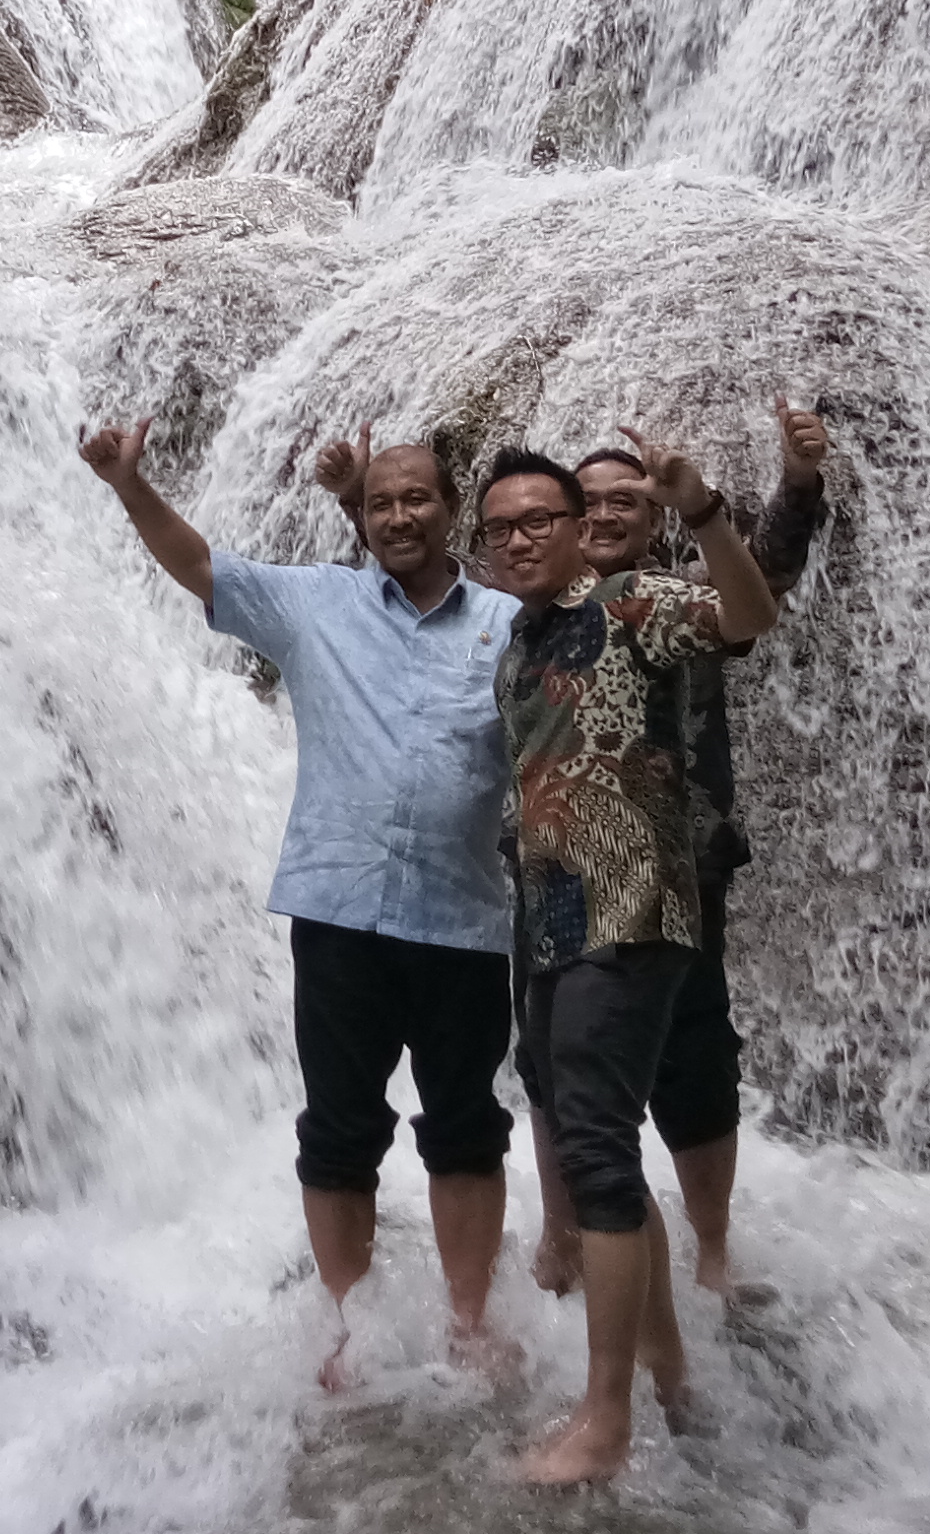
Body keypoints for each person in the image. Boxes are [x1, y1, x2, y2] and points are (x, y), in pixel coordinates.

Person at [75, 418, 519, 1388]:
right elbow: (197, 565)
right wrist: (127, 485)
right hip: (338, 916)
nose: (398, 515)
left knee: (464, 1126)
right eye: (378, 503)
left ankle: (469, 1321)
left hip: (462, 921)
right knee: (336, 1130)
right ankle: (351, 1324)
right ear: (358, 520)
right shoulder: (312, 604)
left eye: (416, 499)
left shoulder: (504, 626)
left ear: (451, 509)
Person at [472, 433, 780, 1484]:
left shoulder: (631, 606)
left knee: (598, 1153)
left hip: (632, 911)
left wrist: (702, 516)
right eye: (500, 528)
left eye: (538, 522)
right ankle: (666, 1372)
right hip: (552, 920)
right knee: (602, 1150)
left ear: (575, 530)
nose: (519, 540)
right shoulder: (520, 643)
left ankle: (602, 1425)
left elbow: (746, 616)